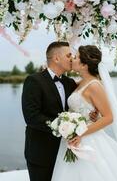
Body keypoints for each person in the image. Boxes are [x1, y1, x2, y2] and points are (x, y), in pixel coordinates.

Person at [52, 45, 117, 181]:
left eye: (76, 57)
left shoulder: (94, 85)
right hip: (74, 138)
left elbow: (109, 117)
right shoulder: (81, 83)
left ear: (84, 65)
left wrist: (80, 133)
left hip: (87, 139)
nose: (73, 58)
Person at [22, 41, 97, 181]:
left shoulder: (69, 82)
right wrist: (61, 127)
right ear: (56, 58)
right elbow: (31, 116)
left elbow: (89, 89)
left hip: (66, 151)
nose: (72, 58)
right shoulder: (33, 81)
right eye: (69, 55)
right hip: (41, 153)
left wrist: (92, 113)